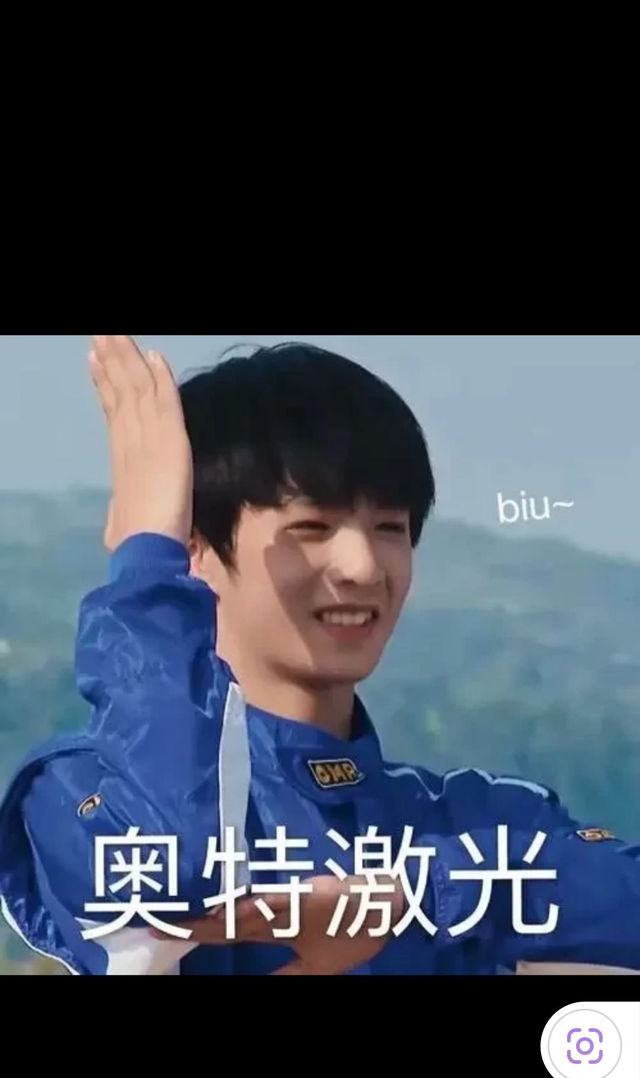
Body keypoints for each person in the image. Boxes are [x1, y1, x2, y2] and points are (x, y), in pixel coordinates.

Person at [0, 335, 639, 976]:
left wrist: (417, 897)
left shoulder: (470, 820)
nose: (363, 567)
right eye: (311, 528)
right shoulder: (80, 793)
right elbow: (169, 873)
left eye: (389, 528)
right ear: (193, 550)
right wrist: (146, 566)